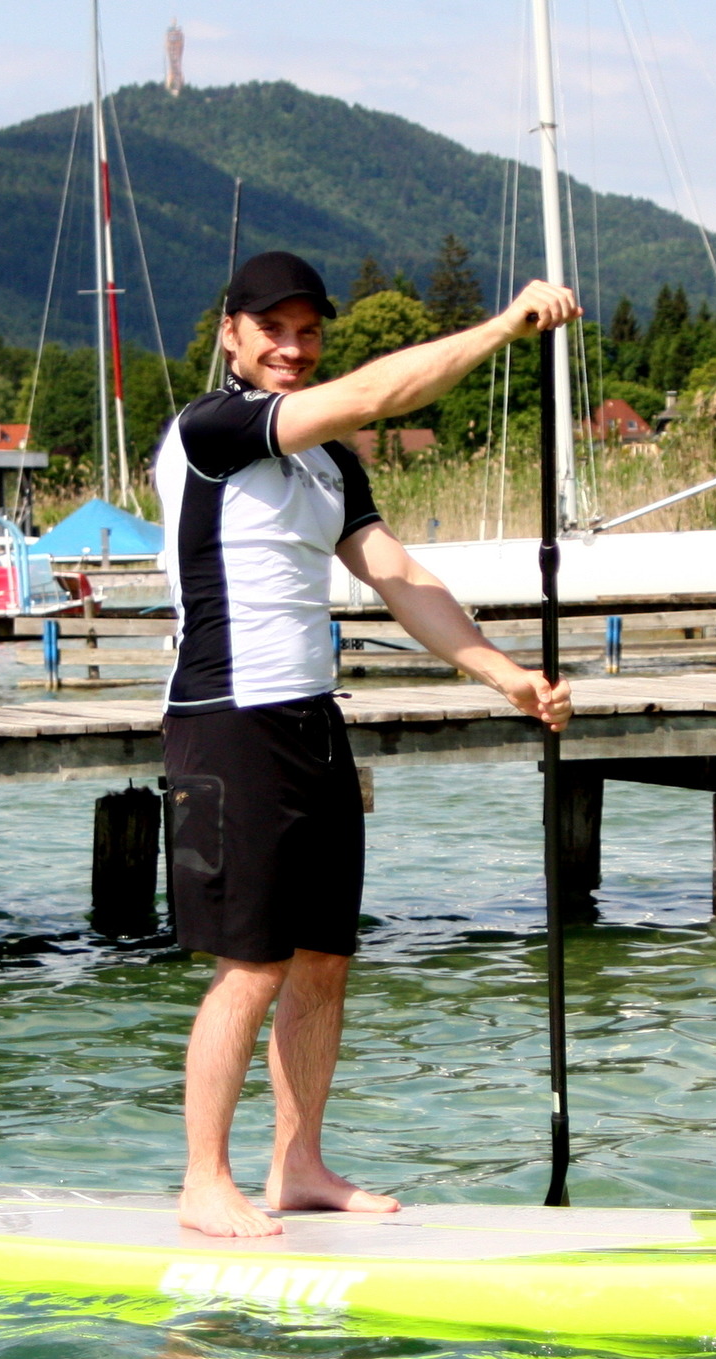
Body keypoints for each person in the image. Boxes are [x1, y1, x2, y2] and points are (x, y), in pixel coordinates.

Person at [156, 250, 579, 1238]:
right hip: (226, 720)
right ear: (231, 332)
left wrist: (500, 671)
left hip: (308, 721)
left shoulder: (327, 463)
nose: (291, 348)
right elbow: (377, 391)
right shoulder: (213, 430)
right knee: (249, 966)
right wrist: (497, 328)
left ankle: (296, 1164)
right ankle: (201, 1178)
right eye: (272, 329)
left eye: (307, 331)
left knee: (320, 961)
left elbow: (397, 573)